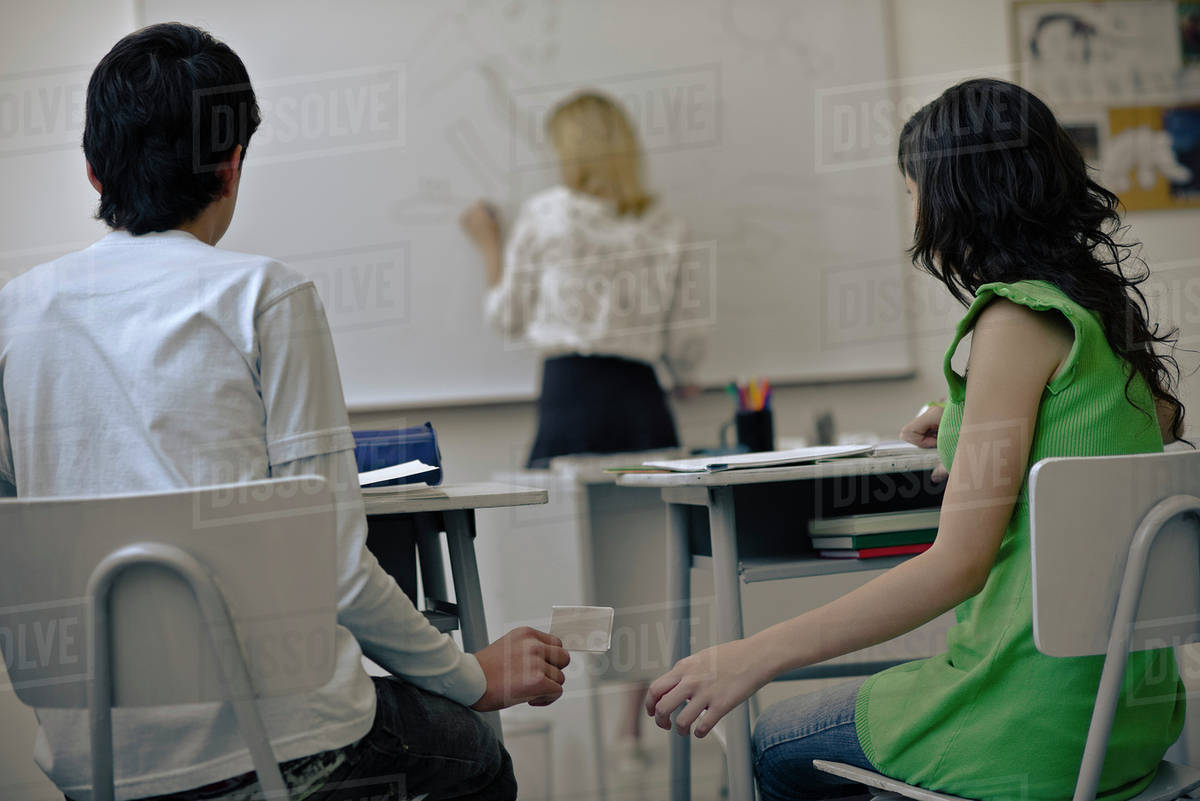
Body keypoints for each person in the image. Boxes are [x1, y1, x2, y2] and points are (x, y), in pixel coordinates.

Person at [0, 23, 568, 801]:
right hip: (281, 747)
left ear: (95, 173)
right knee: (478, 759)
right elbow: (333, 566)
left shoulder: (14, 314)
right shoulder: (267, 297)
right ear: (232, 165)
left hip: (96, 762)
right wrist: (473, 676)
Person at [644, 78, 1187, 801]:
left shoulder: (1010, 321)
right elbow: (1160, 422)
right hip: (1128, 729)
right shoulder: (1100, 316)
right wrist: (968, 416)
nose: (913, 211)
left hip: (1029, 726)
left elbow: (955, 567)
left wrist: (751, 654)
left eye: (911, 191)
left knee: (772, 743)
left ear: (960, 196)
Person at [460, 91, 709, 470]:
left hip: (571, 398)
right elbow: (684, 338)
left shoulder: (547, 214)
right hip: (643, 400)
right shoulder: (667, 225)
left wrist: (489, 245)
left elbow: (508, 317)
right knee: (657, 522)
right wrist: (686, 373)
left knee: (561, 522)